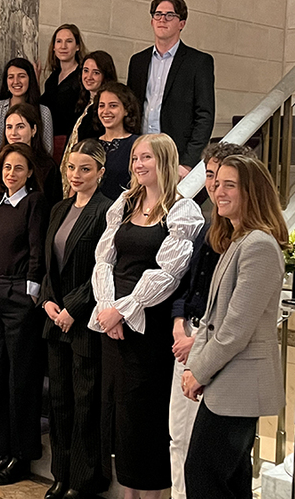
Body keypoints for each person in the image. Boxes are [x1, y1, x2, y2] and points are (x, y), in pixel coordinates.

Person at [89, 133, 203, 498]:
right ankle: (127, 492)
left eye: (147, 158)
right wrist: (108, 307)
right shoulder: (124, 204)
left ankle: (152, 493)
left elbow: (168, 274)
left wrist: (124, 310)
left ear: (165, 162)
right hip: (114, 324)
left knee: (145, 418)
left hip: (147, 326)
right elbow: (104, 259)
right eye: (135, 158)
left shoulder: (182, 210)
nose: (138, 165)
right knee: (120, 416)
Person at [182, 154, 288, 499]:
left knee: (204, 478)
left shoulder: (258, 245)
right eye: (217, 182)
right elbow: (216, 319)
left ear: (252, 192)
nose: (218, 190)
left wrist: (198, 370)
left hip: (240, 386)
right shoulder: (238, 239)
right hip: (227, 384)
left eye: (230, 185)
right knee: (231, 482)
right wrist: (197, 368)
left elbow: (234, 329)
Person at [167, 143, 253, 499]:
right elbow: (188, 285)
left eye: (223, 179)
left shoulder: (249, 239)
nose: (215, 186)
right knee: (178, 436)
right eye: (210, 176)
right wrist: (178, 324)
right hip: (186, 333)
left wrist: (196, 340)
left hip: (212, 344)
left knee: (209, 455)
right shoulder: (209, 227)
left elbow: (233, 315)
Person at [40, 139, 113, 499]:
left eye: (85, 169)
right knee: (59, 402)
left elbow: (103, 270)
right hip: (56, 320)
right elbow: (47, 264)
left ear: (101, 172)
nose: (76, 175)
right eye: (71, 168)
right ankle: (61, 472)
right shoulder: (58, 208)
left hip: (83, 322)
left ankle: (83, 480)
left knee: (85, 402)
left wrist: (73, 308)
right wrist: (48, 303)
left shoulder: (106, 211)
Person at [0, 143, 49, 486]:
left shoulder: (33, 202)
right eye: (7, 168)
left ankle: (21, 455)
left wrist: (31, 292)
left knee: (21, 378)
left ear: (29, 172)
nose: (11, 174)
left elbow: (37, 249)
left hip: (20, 295)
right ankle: (2, 451)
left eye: (19, 168)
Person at [126, 0, 215, 178]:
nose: (162, 19)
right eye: (157, 14)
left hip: (176, 157)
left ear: (181, 23)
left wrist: (189, 163)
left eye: (170, 15)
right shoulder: (138, 61)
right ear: (152, 21)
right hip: (140, 153)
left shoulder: (199, 62)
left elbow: (204, 116)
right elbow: (130, 108)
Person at [59, 51, 119, 195]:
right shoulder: (83, 104)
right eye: (86, 71)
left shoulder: (103, 113)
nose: (89, 77)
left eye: (96, 73)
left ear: (105, 76)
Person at [0, 103, 63, 206]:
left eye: (20, 127)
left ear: (34, 130)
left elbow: (54, 207)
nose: (13, 133)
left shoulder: (48, 166)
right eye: (9, 127)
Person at [0, 57, 54, 155]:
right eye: (11, 77)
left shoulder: (43, 112)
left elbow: (47, 150)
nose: (16, 81)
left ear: (30, 79)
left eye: (21, 76)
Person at [40, 24, 88, 162]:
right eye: (59, 41)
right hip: (50, 140)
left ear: (77, 46)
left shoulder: (82, 76)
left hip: (71, 142)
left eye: (69, 41)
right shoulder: (53, 78)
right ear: (54, 47)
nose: (63, 46)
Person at [96, 82, 141, 200]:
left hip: (123, 211)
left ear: (126, 110)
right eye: (101, 105)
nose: (105, 111)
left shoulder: (137, 144)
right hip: (91, 213)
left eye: (113, 106)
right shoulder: (90, 144)